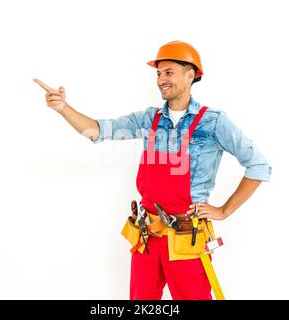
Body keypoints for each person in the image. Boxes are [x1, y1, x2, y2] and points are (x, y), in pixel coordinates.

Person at [34, 40, 271, 300]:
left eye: (168, 72)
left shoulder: (213, 122)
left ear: (190, 74)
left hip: (186, 239)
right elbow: (97, 131)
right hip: (146, 237)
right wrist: (63, 109)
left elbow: (259, 166)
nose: (161, 80)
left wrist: (224, 210)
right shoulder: (149, 119)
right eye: (158, 73)